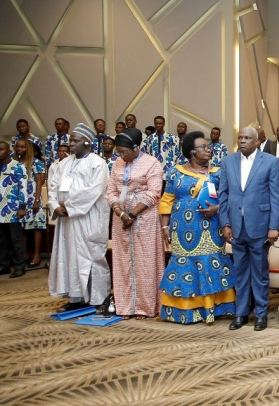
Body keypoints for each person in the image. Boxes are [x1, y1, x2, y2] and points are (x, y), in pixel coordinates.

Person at [159, 131, 236, 324]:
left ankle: (214, 309)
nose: (209, 149)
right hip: (181, 227)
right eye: (203, 147)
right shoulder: (175, 171)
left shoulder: (219, 172)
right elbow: (167, 199)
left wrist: (217, 208)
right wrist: (164, 227)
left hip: (211, 227)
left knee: (210, 262)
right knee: (185, 264)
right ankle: (185, 310)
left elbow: (230, 198)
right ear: (192, 152)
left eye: (208, 146)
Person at [218, 126, 279, 331]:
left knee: (260, 273)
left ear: (257, 142)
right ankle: (241, 313)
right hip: (236, 226)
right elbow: (223, 195)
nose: (243, 141)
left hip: (261, 226)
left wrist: (274, 226)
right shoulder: (228, 161)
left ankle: (261, 314)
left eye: (247, 138)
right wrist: (225, 223)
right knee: (240, 272)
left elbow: (276, 196)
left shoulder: (270, 162)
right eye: (240, 137)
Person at [47, 122, 111, 311]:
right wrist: (53, 205)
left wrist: (68, 205)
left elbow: (95, 190)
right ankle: (76, 297)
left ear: (87, 143)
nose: (71, 144)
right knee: (69, 256)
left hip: (87, 218)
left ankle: (98, 297)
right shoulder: (64, 163)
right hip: (67, 220)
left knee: (90, 256)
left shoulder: (98, 163)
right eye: (70, 140)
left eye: (76, 141)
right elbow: (53, 186)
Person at [107, 128, 165, 320]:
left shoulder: (152, 163)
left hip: (144, 219)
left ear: (136, 147)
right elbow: (112, 191)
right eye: (119, 151)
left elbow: (154, 193)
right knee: (123, 262)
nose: (121, 155)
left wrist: (132, 213)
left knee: (145, 262)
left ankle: (145, 307)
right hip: (120, 219)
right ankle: (126, 306)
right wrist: (119, 212)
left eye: (125, 151)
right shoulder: (117, 163)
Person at [13, 139, 47, 269]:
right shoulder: (15, 163)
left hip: (33, 196)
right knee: (22, 228)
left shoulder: (36, 162)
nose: (20, 149)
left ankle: (37, 254)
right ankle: (25, 254)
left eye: (22, 147)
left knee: (36, 227)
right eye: (17, 147)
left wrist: (37, 200)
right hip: (19, 198)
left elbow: (39, 182)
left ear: (28, 148)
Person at [0, 141, 27, 278]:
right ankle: (3, 265)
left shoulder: (17, 166)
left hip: (12, 209)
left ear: (8, 151)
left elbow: (23, 187)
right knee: (1, 240)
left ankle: (20, 266)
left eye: (1, 149)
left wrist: (22, 207)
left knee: (16, 239)